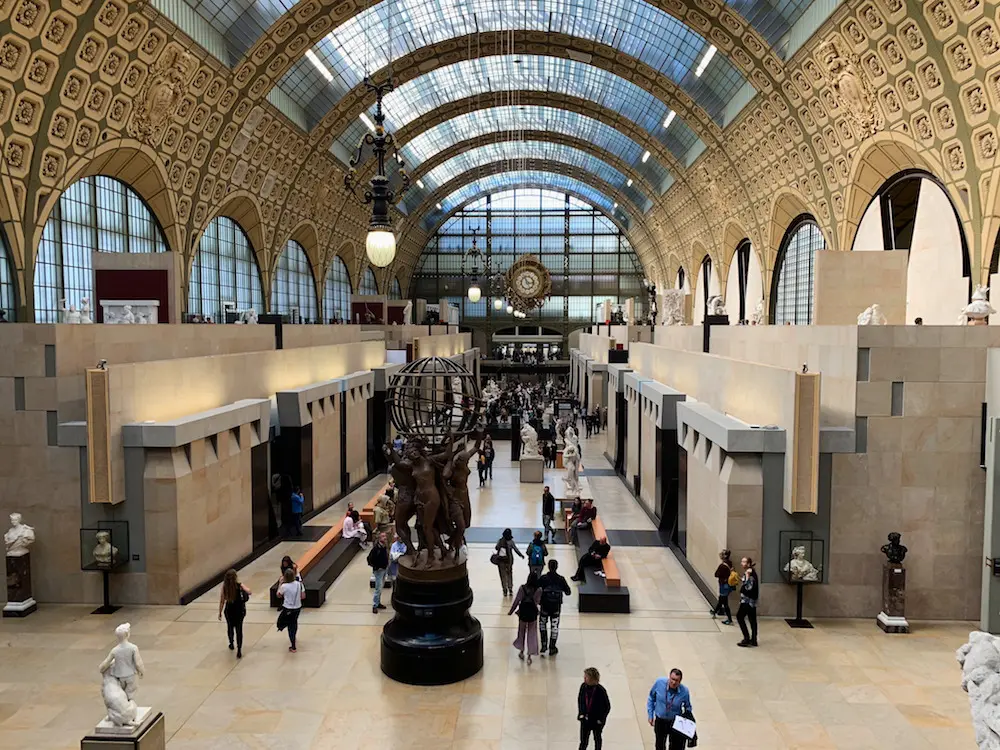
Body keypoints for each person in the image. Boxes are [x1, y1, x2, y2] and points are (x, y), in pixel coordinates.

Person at [647, 668, 695, 750]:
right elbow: (651, 698)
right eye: (672, 679)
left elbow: (688, 707)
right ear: (669, 677)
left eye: (676, 680)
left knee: (675, 747)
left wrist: (687, 720)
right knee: (659, 745)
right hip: (660, 721)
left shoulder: (684, 691)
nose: (674, 682)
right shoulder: (659, 683)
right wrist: (650, 715)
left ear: (680, 681)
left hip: (675, 722)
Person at [539, 559, 571, 656]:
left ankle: (544, 645)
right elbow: (568, 592)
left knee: (542, 625)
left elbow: (536, 587)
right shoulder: (561, 579)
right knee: (554, 626)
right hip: (556, 607)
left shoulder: (543, 578)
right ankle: (552, 647)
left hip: (544, 606)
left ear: (548, 566)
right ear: (557, 567)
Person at [508, 571, 542, 664]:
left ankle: (521, 651)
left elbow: (517, 601)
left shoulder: (522, 588)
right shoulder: (539, 590)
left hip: (523, 613)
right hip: (533, 614)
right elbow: (538, 602)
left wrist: (511, 611)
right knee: (532, 634)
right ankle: (530, 656)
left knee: (521, 632)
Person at [218, 569, 251, 657]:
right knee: (239, 629)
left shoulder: (225, 587)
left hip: (229, 610)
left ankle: (231, 643)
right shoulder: (239, 585)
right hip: (239, 610)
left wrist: (220, 612)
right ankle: (239, 649)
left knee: (230, 627)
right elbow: (249, 592)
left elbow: (222, 600)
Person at [578, 667, 611, 750]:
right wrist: (581, 713)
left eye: (586, 677)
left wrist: (601, 719)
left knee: (597, 739)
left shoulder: (601, 691)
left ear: (593, 679)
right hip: (585, 719)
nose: (584, 678)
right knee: (583, 741)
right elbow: (580, 700)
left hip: (596, 721)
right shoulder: (583, 687)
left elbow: (607, 706)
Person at [276, 567, 304, 652]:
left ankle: (293, 646)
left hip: (288, 608)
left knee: (285, 624)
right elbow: (303, 596)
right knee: (293, 623)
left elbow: (278, 595)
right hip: (297, 607)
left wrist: (280, 584)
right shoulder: (299, 584)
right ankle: (293, 638)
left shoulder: (284, 586)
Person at [736, 556, 760, 647]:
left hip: (747, 601)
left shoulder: (749, 574)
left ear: (748, 564)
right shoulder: (751, 572)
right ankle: (754, 640)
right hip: (752, 601)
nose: (742, 563)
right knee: (752, 620)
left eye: (744, 562)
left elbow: (748, 587)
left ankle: (746, 638)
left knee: (739, 617)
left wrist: (747, 576)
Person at [494, 528, 523, 596]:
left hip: (501, 561)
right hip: (509, 561)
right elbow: (516, 549)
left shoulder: (500, 541)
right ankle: (510, 588)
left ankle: (504, 590)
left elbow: (496, 548)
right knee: (509, 574)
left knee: (502, 575)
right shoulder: (511, 542)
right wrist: (521, 555)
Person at [367, 532, 389, 614]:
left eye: (385, 536)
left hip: (384, 570)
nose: (385, 538)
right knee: (378, 588)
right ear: (379, 538)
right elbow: (369, 559)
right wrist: (376, 567)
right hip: (379, 571)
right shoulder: (376, 549)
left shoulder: (384, 547)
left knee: (381, 587)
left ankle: (378, 602)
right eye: (383, 536)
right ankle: (375, 605)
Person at [712, 549, 735, 625]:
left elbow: (716, 574)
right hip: (728, 585)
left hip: (723, 585)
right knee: (721, 599)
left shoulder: (722, 566)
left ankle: (729, 619)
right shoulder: (730, 563)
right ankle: (715, 612)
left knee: (725, 603)